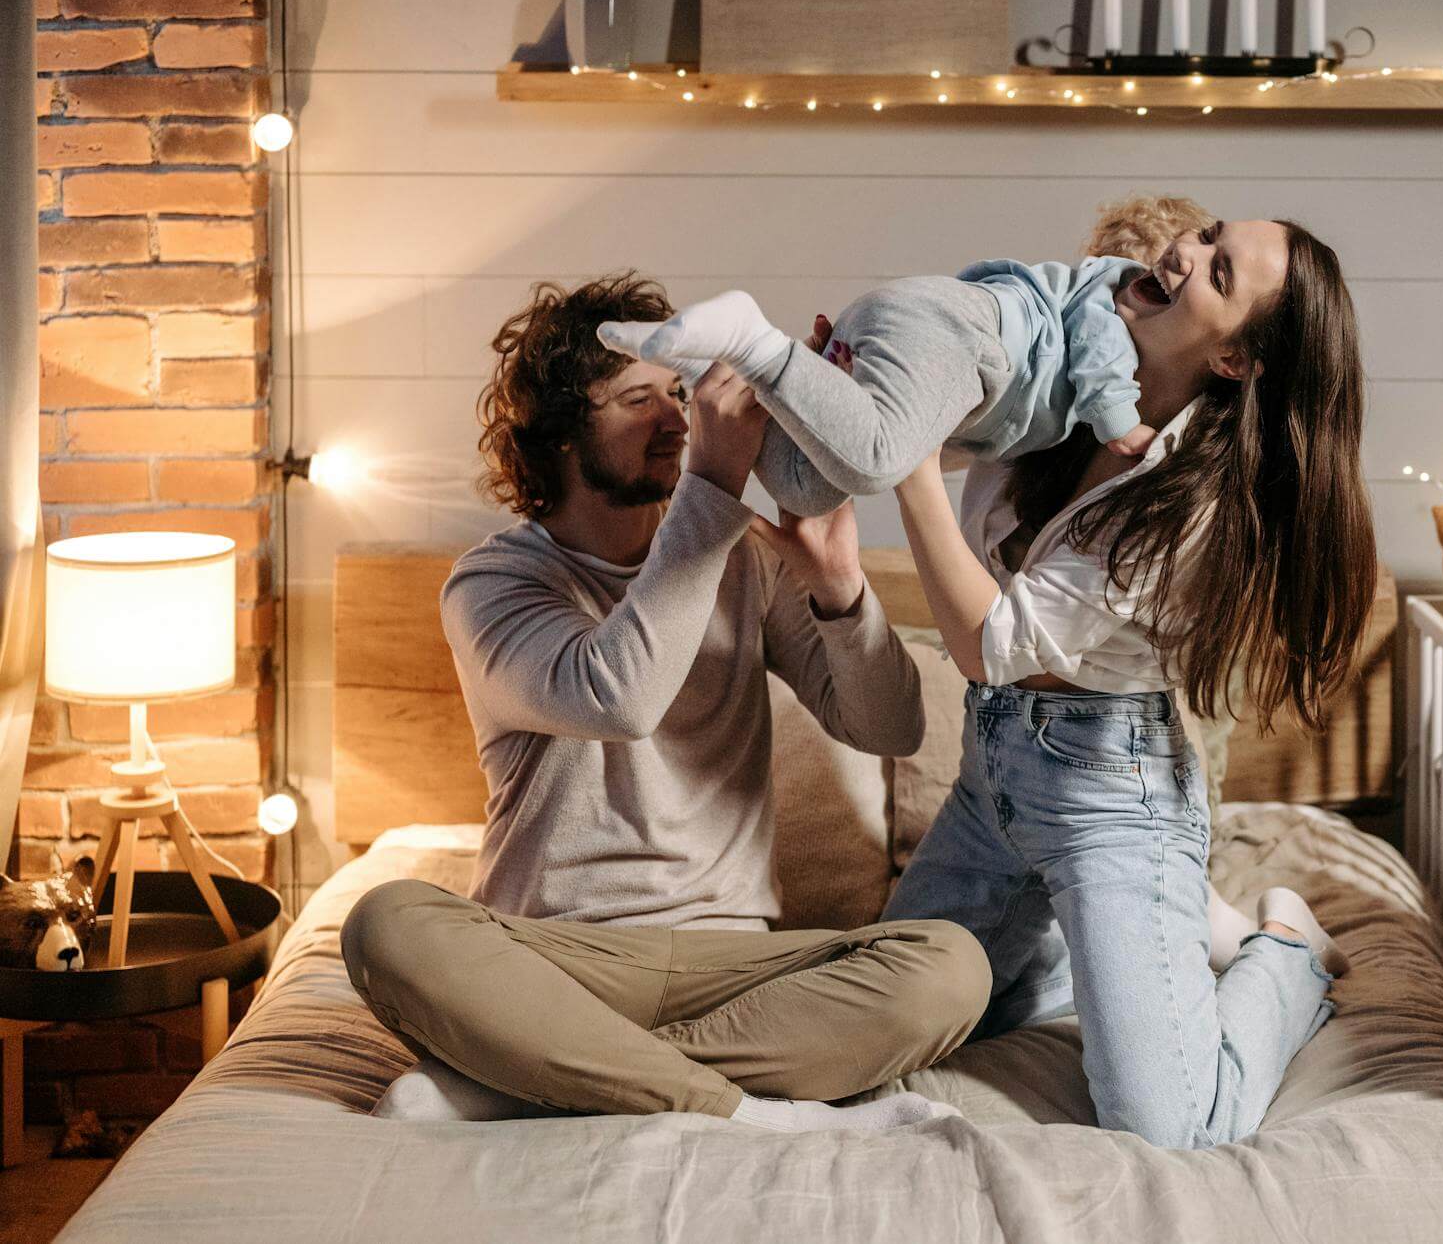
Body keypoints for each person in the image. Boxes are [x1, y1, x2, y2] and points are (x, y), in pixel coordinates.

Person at [339, 273, 990, 1134]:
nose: (679, 419)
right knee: (385, 923)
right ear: (563, 435)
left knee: (952, 968)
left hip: (736, 959)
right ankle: (748, 1112)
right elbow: (620, 695)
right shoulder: (495, 582)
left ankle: (534, 1076)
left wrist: (839, 589)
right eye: (638, 396)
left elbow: (889, 725)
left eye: (680, 391)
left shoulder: (744, 559)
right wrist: (713, 489)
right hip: (557, 956)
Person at [878, 217, 1376, 1150]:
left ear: (1235, 361)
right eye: (1207, 232)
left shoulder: (1197, 500)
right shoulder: (1074, 356)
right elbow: (951, 426)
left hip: (1111, 796)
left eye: (1217, 271)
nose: (1182, 251)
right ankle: (1107, 953)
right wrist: (877, 379)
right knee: (891, 1018)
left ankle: (1287, 953)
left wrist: (904, 472)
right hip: (996, 776)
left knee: (1171, 1125)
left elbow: (1002, 644)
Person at [603, 226, 1215, 519]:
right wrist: (1120, 422)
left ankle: (715, 363)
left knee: (807, 489)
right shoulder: (1113, 290)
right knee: (875, 461)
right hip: (956, 331)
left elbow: (957, 444)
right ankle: (751, 339)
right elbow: (1096, 338)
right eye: (1205, 236)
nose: (1186, 253)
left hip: (931, 347)